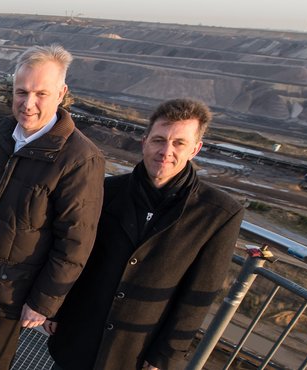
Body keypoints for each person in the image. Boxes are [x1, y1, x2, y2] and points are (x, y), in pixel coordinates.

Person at [46, 99, 244, 370]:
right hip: (78, 340)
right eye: (159, 140)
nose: (166, 151)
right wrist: (56, 308)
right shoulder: (106, 191)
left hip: (135, 353)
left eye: (179, 143)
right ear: (144, 142)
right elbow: (77, 256)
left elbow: (197, 296)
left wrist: (166, 356)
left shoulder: (217, 215)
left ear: (195, 149)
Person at [0, 45, 105, 370]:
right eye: (22, 92)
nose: (29, 103)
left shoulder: (79, 159)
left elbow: (75, 244)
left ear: (62, 93)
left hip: (13, 292)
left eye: (41, 93)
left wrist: (43, 301)